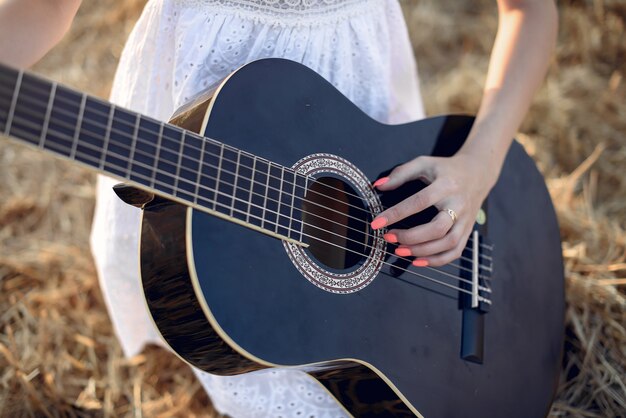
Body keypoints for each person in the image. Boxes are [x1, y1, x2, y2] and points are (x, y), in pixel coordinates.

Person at [0, 0, 558, 416]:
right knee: (220, 310)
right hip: (201, 119)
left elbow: (531, 12)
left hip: (351, 113)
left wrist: (480, 165)